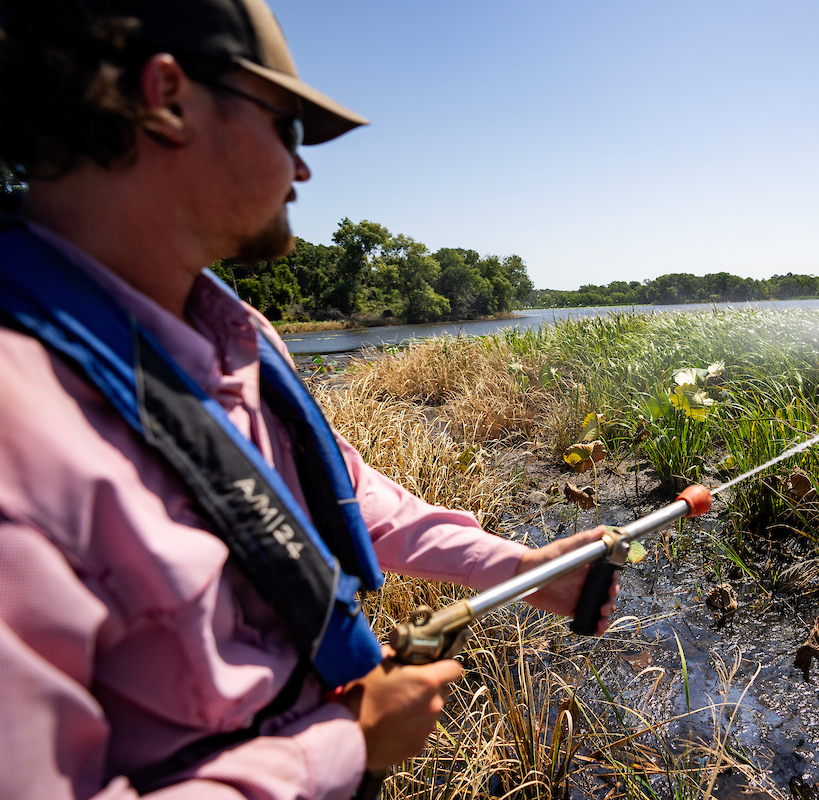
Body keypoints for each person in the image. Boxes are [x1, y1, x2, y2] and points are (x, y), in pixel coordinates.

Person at [0, 1, 616, 798]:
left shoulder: (234, 330)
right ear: (167, 99)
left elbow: (338, 494)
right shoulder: (19, 437)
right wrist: (343, 746)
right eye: (287, 128)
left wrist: (518, 567)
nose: (303, 170)